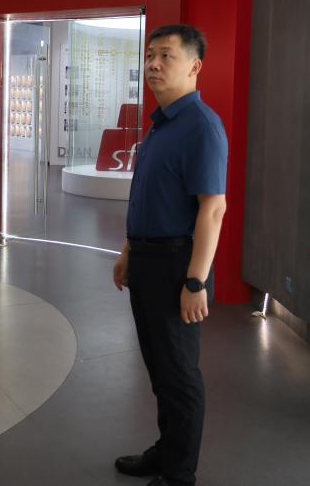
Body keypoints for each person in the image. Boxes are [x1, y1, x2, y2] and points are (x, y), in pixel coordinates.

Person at [112, 24, 228, 486]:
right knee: (159, 369)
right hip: (146, 259)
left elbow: (213, 209)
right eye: (150, 56)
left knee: (179, 375)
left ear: (195, 66)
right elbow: (147, 196)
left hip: (177, 265)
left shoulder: (202, 126)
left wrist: (195, 281)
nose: (154, 65)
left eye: (166, 56)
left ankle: (180, 473)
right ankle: (166, 450)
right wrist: (128, 251)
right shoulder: (161, 123)